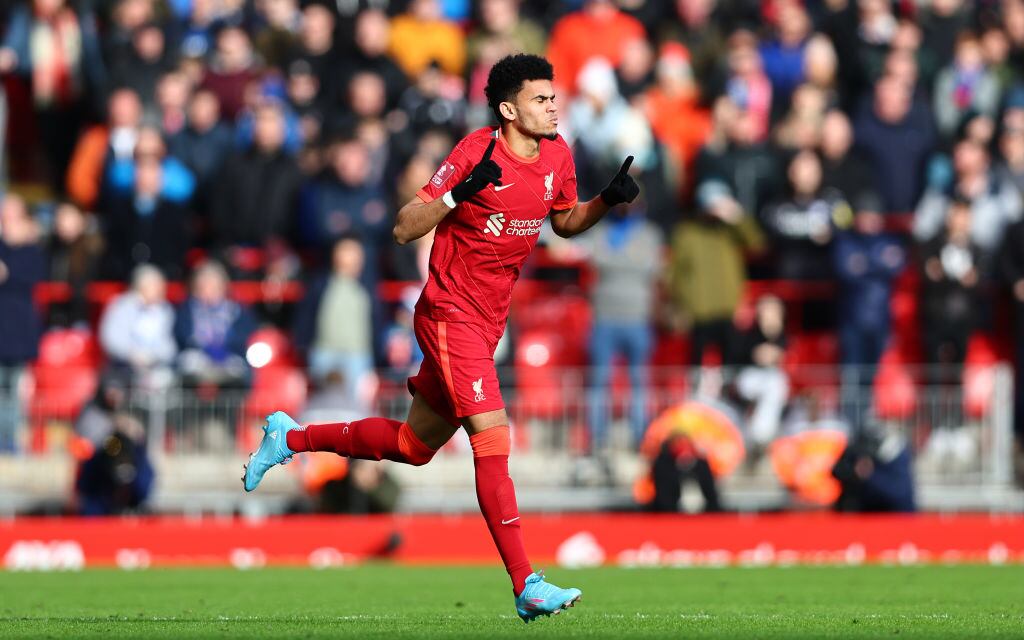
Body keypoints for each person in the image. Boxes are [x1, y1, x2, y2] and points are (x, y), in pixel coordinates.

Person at [243, 54, 639, 621]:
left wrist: (606, 200)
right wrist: (460, 194)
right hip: (450, 315)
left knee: (412, 446)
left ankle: (291, 439)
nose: (554, 107)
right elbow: (405, 226)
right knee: (493, 436)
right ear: (508, 109)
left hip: (489, 319)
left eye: (554, 98)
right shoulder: (475, 152)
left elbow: (564, 221)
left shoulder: (557, 154)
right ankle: (526, 582)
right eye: (541, 99)